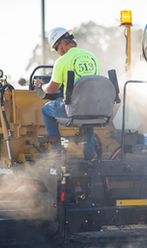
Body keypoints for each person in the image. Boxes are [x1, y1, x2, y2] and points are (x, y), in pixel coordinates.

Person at [32, 27, 101, 157]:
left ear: (63, 43)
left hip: (73, 110)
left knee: (46, 109)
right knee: (88, 109)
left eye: (56, 48)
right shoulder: (93, 58)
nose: (57, 52)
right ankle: (89, 152)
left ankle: (56, 147)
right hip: (94, 109)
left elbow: (51, 89)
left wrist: (41, 85)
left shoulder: (62, 61)